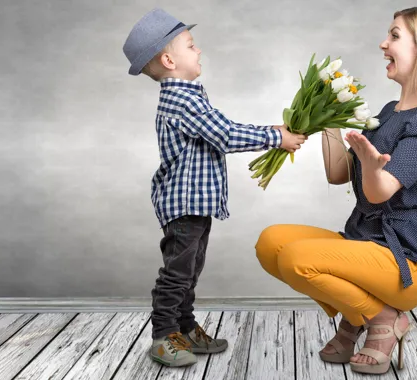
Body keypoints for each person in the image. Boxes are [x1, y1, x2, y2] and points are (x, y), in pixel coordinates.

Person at [255, 6, 417, 375]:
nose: (383, 43)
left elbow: (380, 192)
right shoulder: (388, 110)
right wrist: (327, 118)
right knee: (271, 243)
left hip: (402, 264)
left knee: (296, 259)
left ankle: (383, 319)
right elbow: (338, 173)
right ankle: (360, 315)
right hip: (362, 243)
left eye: (394, 36)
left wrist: (369, 162)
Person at [122, 8, 306, 367]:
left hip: (195, 204)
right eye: (191, 45)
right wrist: (275, 138)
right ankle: (163, 336)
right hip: (184, 204)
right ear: (169, 59)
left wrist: (273, 132)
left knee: (190, 269)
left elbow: (220, 127)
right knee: (177, 272)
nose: (199, 51)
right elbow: (225, 135)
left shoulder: (191, 96)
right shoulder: (183, 99)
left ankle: (185, 329)